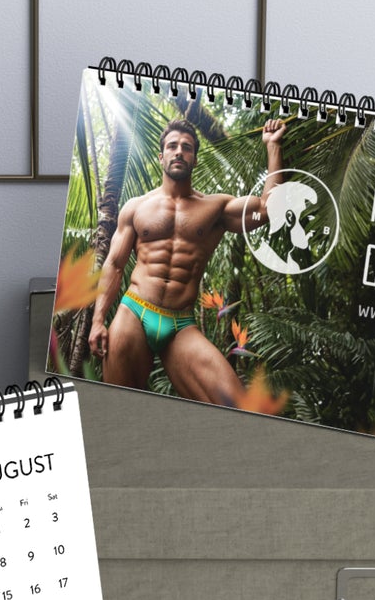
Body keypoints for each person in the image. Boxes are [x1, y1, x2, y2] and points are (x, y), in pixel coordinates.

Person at [88, 116, 288, 402]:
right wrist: (98, 320)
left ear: (195, 159)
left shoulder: (216, 207)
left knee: (236, 403)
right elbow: (114, 265)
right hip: (134, 312)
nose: (179, 151)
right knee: (121, 406)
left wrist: (273, 145)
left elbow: (267, 209)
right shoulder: (136, 208)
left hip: (180, 324)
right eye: (172, 146)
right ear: (161, 157)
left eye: (187, 147)